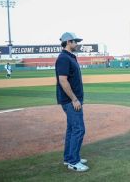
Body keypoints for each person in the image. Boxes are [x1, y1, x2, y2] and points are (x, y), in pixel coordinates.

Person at [55, 32, 89, 172]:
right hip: (70, 100)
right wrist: (74, 99)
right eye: (76, 41)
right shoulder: (63, 58)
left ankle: (69, 157)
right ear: (68, 42)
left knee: (71, 129)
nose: (77, 44)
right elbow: (62, 80)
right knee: (79, 129)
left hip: (73, 99)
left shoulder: (70, 57)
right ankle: (73, 162)